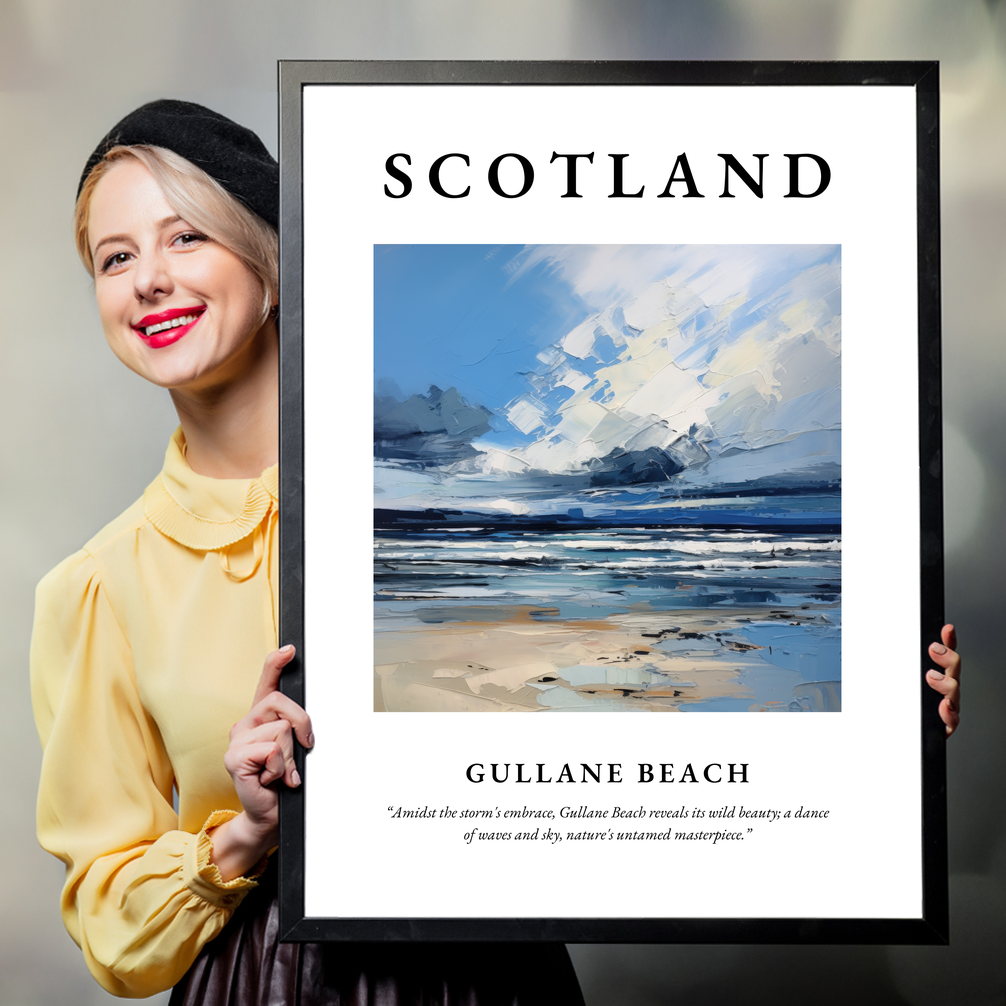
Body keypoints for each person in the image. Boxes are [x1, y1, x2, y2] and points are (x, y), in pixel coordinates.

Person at [30, 100, 586, 1004]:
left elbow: (609, 701)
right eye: (116, 257)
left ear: (273, 263)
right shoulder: (97, 587)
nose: (148, 281)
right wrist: (245, 832)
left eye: (185, 238)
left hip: (493, 972)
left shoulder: (448, 500)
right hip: (262, 981)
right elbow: (110, 923)